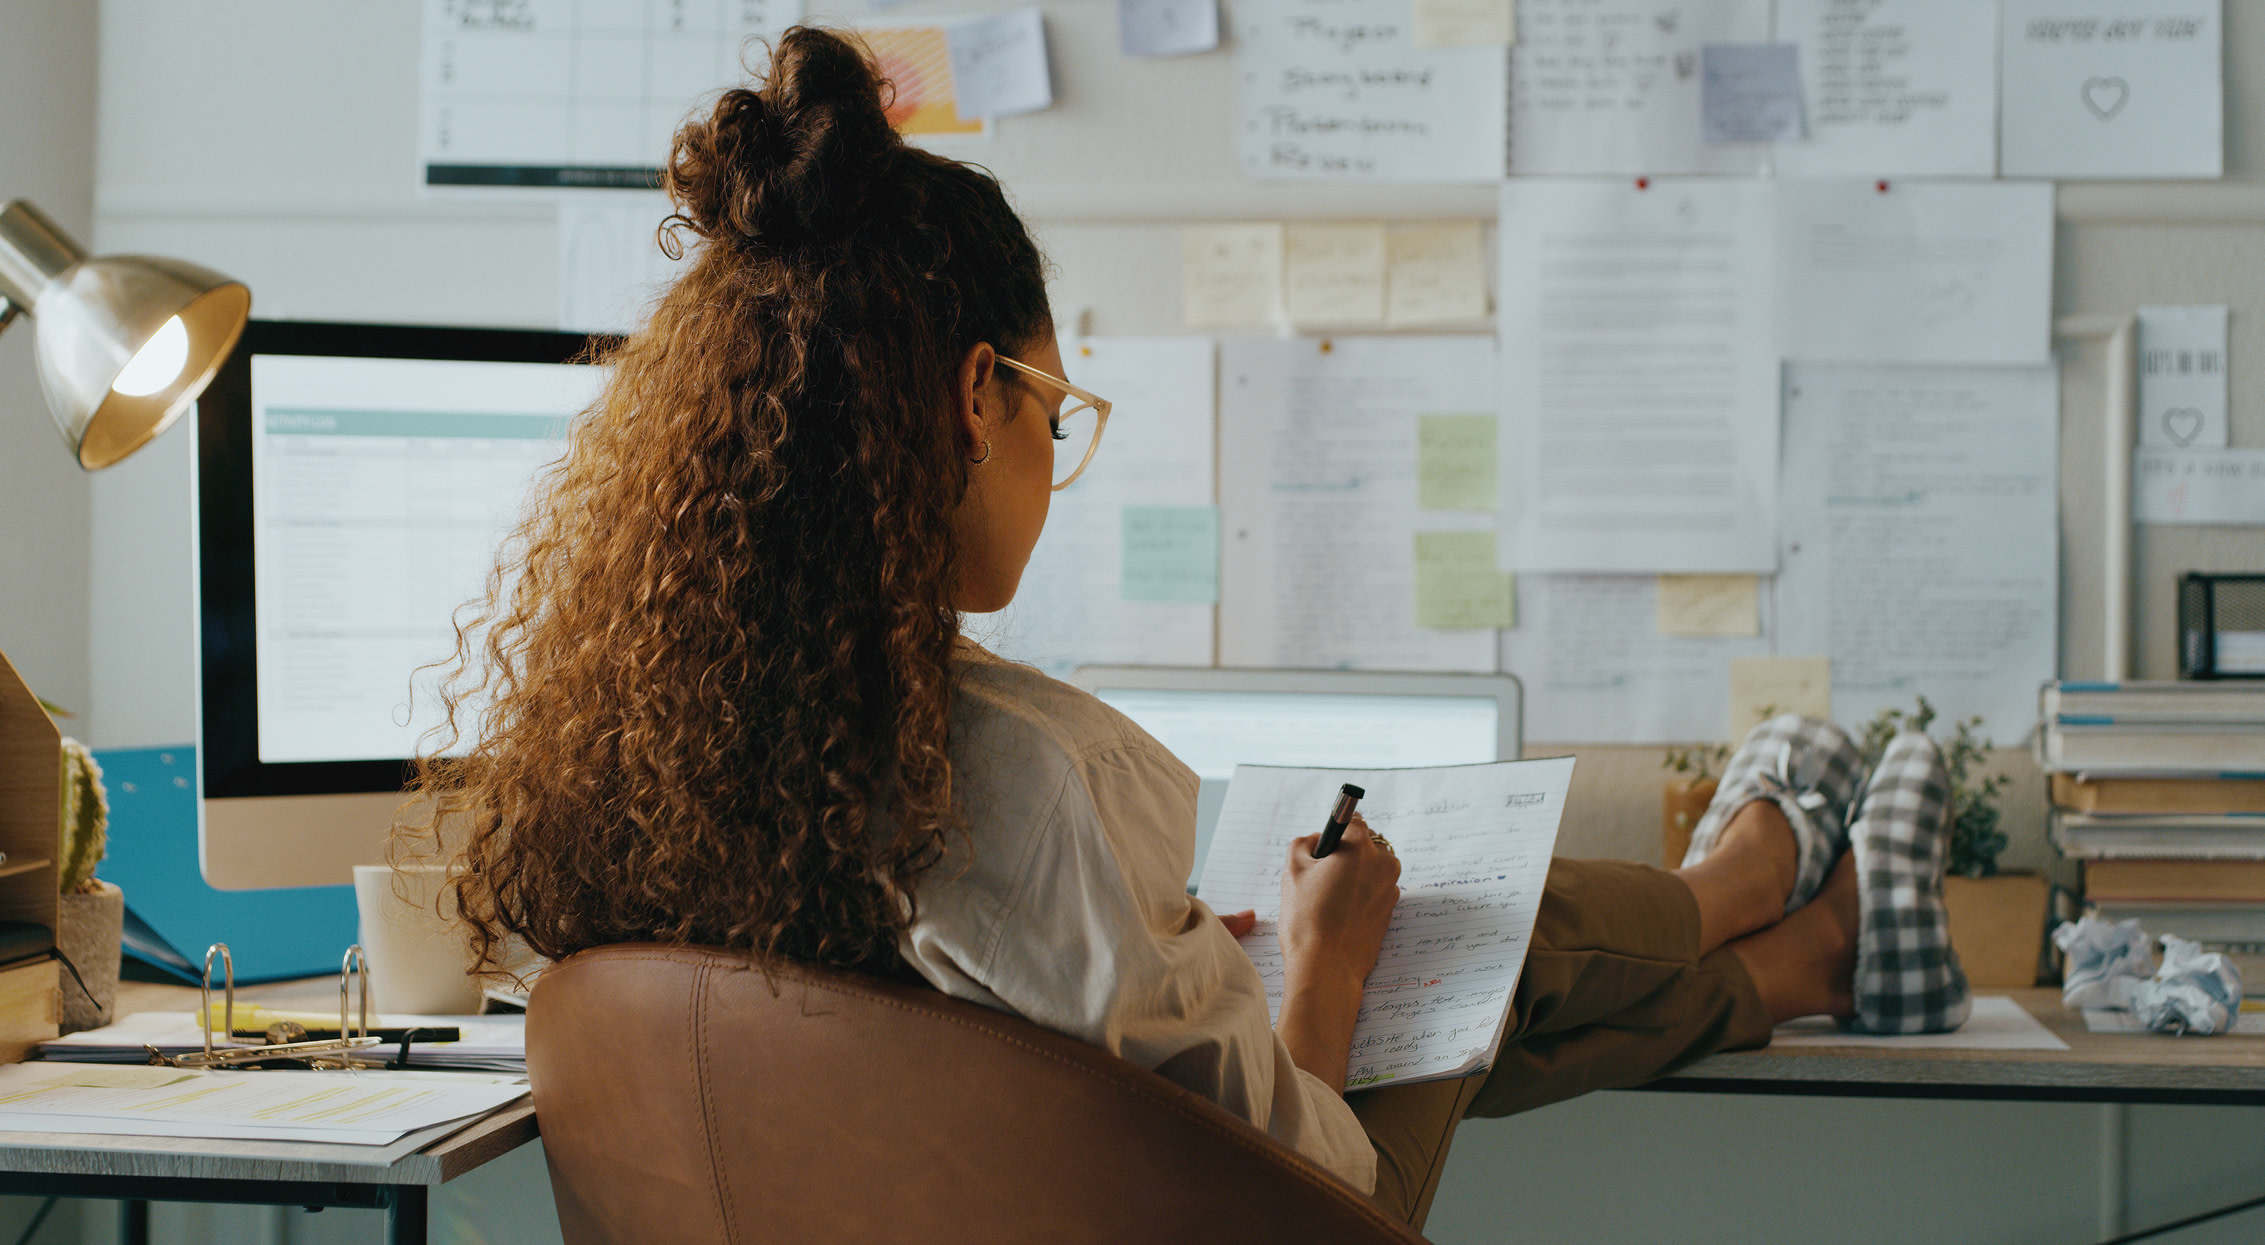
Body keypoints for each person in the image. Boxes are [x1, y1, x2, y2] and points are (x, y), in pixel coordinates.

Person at [408, 26, 1968, 1231]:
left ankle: (1796, 955)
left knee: (1445, 960)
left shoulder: (627, 750)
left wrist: (1184, 968)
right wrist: (1329, 963)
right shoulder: (1024, 778)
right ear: (972, 395)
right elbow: (1310, 1181)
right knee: (1433, 926)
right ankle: (1750, 878)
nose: (1051, 456)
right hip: (1270, 1225)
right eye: (1053, 406)